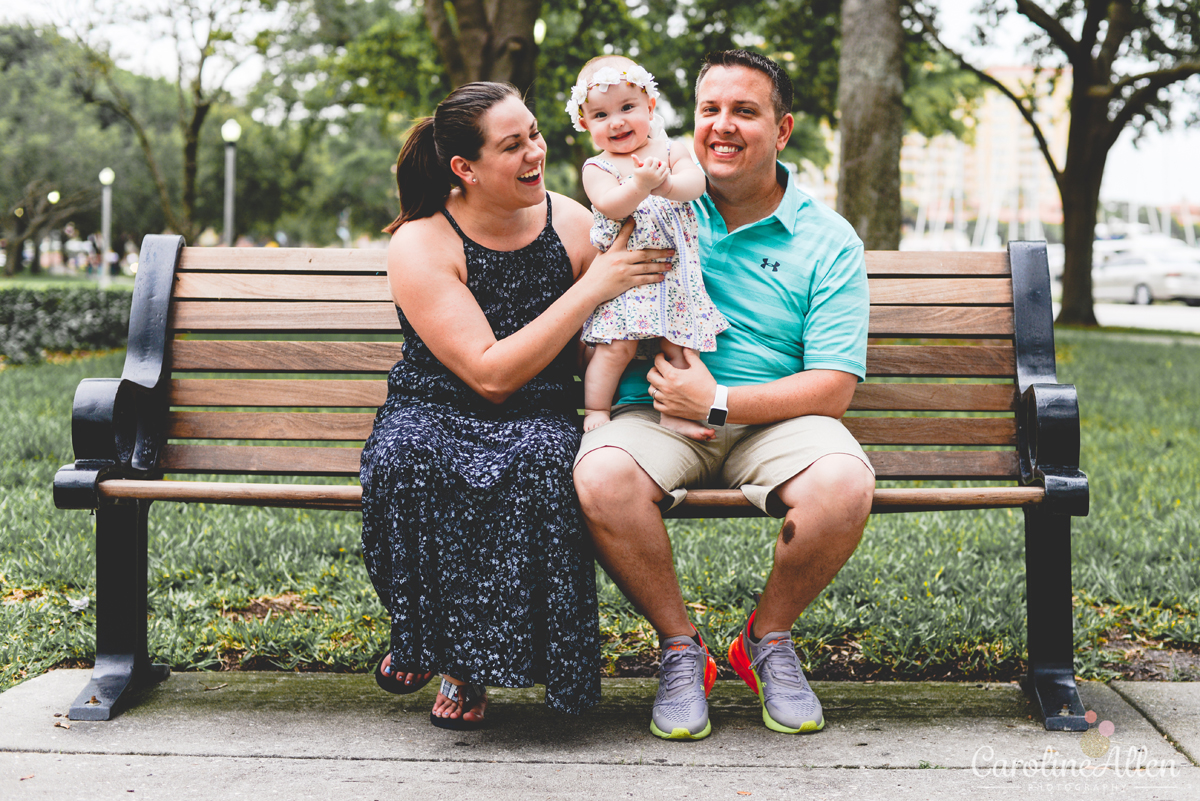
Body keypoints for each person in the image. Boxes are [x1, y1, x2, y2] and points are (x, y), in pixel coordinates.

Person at [573, 50, 876, 741]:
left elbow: (832, 386)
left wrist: (715, 401)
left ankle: (765, 639)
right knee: (601, 473)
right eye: (710, 109)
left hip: (772, 418)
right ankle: (683, 649)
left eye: (745, 110)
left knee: (842, 483)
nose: (722, 126)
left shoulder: (828, 241)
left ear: (783, 127)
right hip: (656, 414)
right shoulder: (658, 201)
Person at [360, 81, 672, 730]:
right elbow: (488, 373)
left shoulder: (575, 223)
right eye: (513, 144)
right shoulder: (423, 241)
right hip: (437, 404)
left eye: (534, 132)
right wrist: (593, 290)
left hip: (545, 407)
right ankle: (441, 652)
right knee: (409, 460)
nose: (536, 151)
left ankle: (512, 664)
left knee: (539, 464)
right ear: (464, 169)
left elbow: (611, 332)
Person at [567, 55, 729, 440]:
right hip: (626, 279)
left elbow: (696, 184)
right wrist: (639, 186)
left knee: (679, 349)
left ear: (650, 107)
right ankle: (596, 408)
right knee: (617, 350)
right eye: (601, 115)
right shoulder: (598, 167)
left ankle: (674, 414)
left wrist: (668, 186)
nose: (617, 121)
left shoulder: (670, 150)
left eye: (627, 108)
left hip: (672, 277)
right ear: (585, 124)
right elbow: (610, 205)